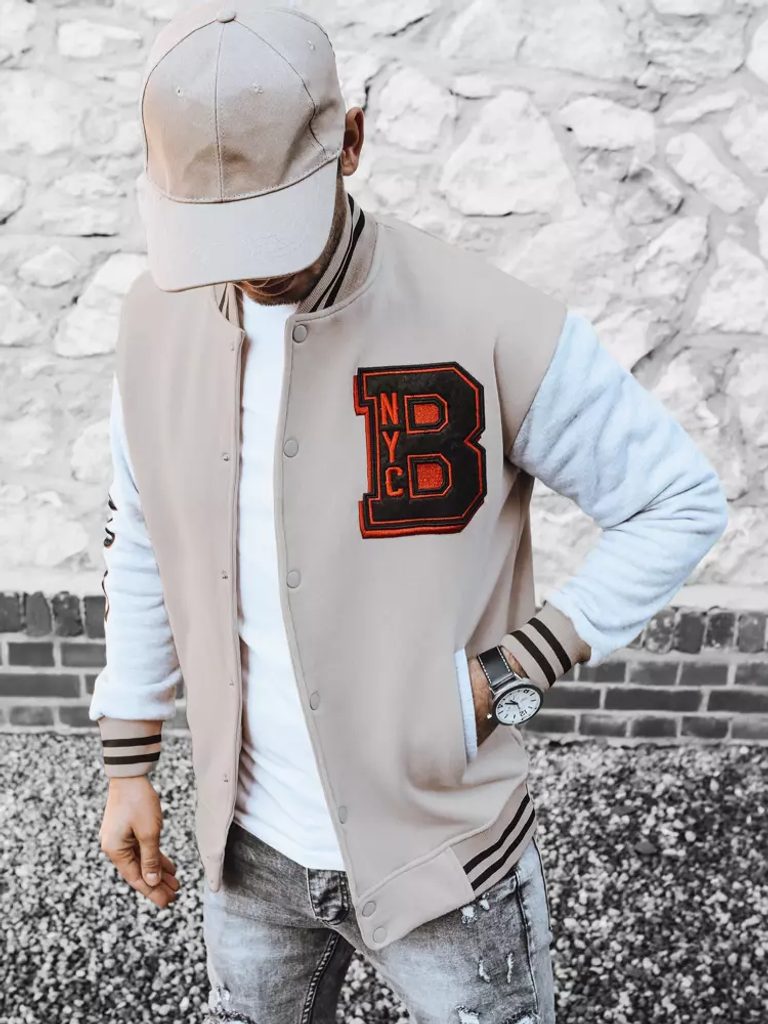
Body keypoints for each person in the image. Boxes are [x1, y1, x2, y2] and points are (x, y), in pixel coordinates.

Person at [89, 3, 729, 1022]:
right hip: (243, 855)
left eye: (271, 222)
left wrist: (505, 678)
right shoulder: (151, 322)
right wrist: (128, 757)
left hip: (448, 859)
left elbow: (675, 500)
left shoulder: (489, 319)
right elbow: (141, 535)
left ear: (351, 140)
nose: (251, 265)